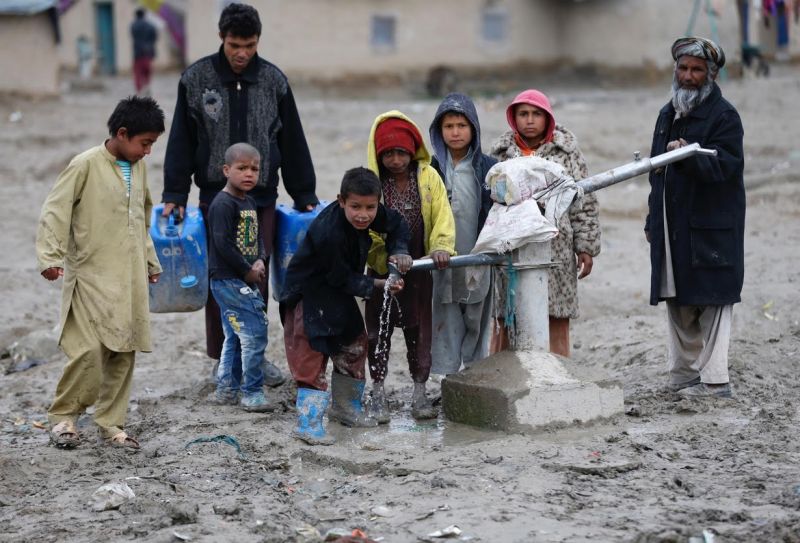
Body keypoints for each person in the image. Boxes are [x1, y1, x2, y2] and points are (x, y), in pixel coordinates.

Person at [162, 3, 318, 387]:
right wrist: (174, 193)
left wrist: (304, 192)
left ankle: (255, 356)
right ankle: (221, 359)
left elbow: (292, 139)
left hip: (260, 201)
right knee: (220, 280)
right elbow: (181, 140)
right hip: (214, 199)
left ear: (257, 41)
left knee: (256, 278)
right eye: (234, 44)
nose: (241, 53)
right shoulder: (196, 80)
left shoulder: (274, 81)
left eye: (249, 44)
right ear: (221, 38)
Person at [36, 96, 165, 450]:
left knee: (124, 351)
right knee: (88, 351)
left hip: (129, 276)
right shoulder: (85, 165)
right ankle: (64, 417)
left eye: (152, 144)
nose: (148, 152)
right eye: (145, 143)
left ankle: (111, 422)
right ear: (122, 134)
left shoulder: (138, 169)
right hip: (90, 277)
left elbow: (141, 217)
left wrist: (150, 261)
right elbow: (55, 209)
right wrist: (50, 255)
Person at [280, 167, 412, 444]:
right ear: (341, 201)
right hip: (309, 293)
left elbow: (398, 224)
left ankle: (346, 408)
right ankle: (308, 423)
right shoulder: (328, 231)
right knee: (311, 354)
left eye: (370, 207)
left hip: (339, 291)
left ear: (377, 203)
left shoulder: (371, 215)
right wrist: (380, 284)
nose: (363, 214)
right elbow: (338, 277)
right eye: (355, 207)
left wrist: (399, 250)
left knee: (354, 343)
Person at [644, 37, 744, 399]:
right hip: (673, 226)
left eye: (697, 70)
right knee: (678, 298)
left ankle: (715, 380)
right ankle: (683, 376)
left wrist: (690, 154)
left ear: (712, 75)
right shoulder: (667, 114)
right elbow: (656, 174)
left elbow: (728, 167)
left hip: (712, 227)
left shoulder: (725, 117)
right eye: (683, 68)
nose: (688, 76)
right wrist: (652, 221)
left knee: (714, 301)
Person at [490, 89, 601, 357]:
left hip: (557, 245)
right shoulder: (503, 154)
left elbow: (583, 202)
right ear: (513, 118)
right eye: (523, 114)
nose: (529, 120)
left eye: (536, 114)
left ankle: (559, 371)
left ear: (547, 117)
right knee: (508, 314)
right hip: (513, 246)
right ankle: (506, 372)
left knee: (556, 313)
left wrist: (585, 246)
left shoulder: (567, 152)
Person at [364, 112, 456, 422]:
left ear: (412, 150)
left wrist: (441, 247)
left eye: (400, 152)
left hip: (419, 271)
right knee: (378, 333)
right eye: (387, 153)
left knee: (419, 332)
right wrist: (383, 257)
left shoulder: (429, 178)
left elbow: (443, 214)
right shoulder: (373, 183)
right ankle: (377, 391)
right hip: (381, 274)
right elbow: (366, 226)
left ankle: (419, 392)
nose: (394, 159)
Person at [428, 93, 497, 376]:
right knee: (444, 316)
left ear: (474, 129)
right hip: (442, 258)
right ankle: (445, 378)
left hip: (477, 256)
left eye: (461, 125)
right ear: (438, 131)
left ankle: (474, 375)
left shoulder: (489, 168)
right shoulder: (431, 170)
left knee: (477, 317)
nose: (455, 133)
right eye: (448, 126)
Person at [207, 143, 272, 411]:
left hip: (243, 277)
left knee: (234, 335)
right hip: (228, 280)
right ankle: (252, 392)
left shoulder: (249, 201)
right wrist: (247, 271)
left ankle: (227, 389)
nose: (249, 174)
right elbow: (223, 244)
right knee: (255, 332)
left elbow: (256, 237)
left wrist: (260, 258)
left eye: (254, 169)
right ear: (226, 170)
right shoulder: (222, 204)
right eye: (242, 168)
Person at [130, 8, 157, 94]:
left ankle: (139, 90)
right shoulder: (150, 25)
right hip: (148, 52)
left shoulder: (133, 25)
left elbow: (133, 36)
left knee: (138, 72)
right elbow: (154, 37)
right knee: (147, 71)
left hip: (137, 52)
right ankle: (147, 85)